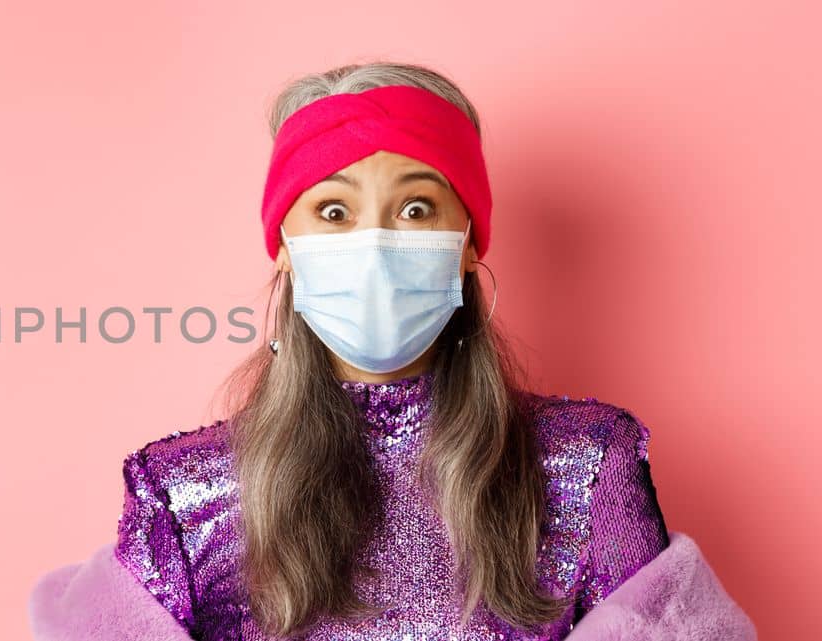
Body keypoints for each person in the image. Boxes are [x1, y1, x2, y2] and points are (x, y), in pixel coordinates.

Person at [113, 62, 670, 640]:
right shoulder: (177, 493)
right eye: (333, 212)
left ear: (468, 242)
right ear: (284, 247)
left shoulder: (590, 461)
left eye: (415, 209)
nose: (374, 247)